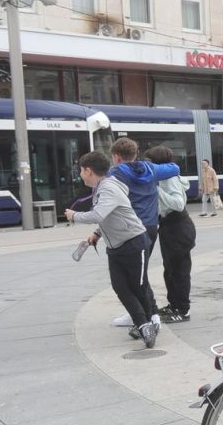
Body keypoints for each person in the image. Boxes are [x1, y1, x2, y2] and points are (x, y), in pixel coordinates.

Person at [65, 152, 158, 348]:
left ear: (88, 170)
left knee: (139, 287)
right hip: (115, 246)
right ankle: (143, 324)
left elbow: (98, 214)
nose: (80, 174)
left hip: (134, 243)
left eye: (81, 171)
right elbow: (110, 215)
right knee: (121, 287)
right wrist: (97, 234)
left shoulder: (108, 187)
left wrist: (74, 215)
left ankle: (149, 324)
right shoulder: (103, 187)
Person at [109, 137, 179, 326]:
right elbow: (175, 168)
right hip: (150, 227)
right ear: (135, 154)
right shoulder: (150, 169)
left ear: (116, 157)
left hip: (130, 229)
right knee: (139, 273)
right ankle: (144, 313)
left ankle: (146, 315)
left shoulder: (115, 174)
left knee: (135, 276)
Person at [144, 146, 195, 323]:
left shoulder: (169, 178)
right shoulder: (162, 177)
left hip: (178, 226)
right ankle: (173, 305)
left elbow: (178, 203)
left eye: (150, 161)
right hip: (168, 226)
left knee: (180, 271)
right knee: (170, 270)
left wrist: (157, 190)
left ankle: (183, 310)